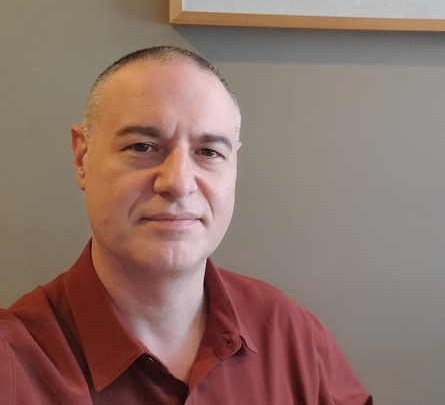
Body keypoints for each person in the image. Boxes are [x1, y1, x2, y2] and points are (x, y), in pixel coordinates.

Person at [0, 46, 372, 404]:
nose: (178, 182)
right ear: (83, 157)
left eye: (208, 152)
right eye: (142, 146)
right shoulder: (11, 363)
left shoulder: (293, 337)